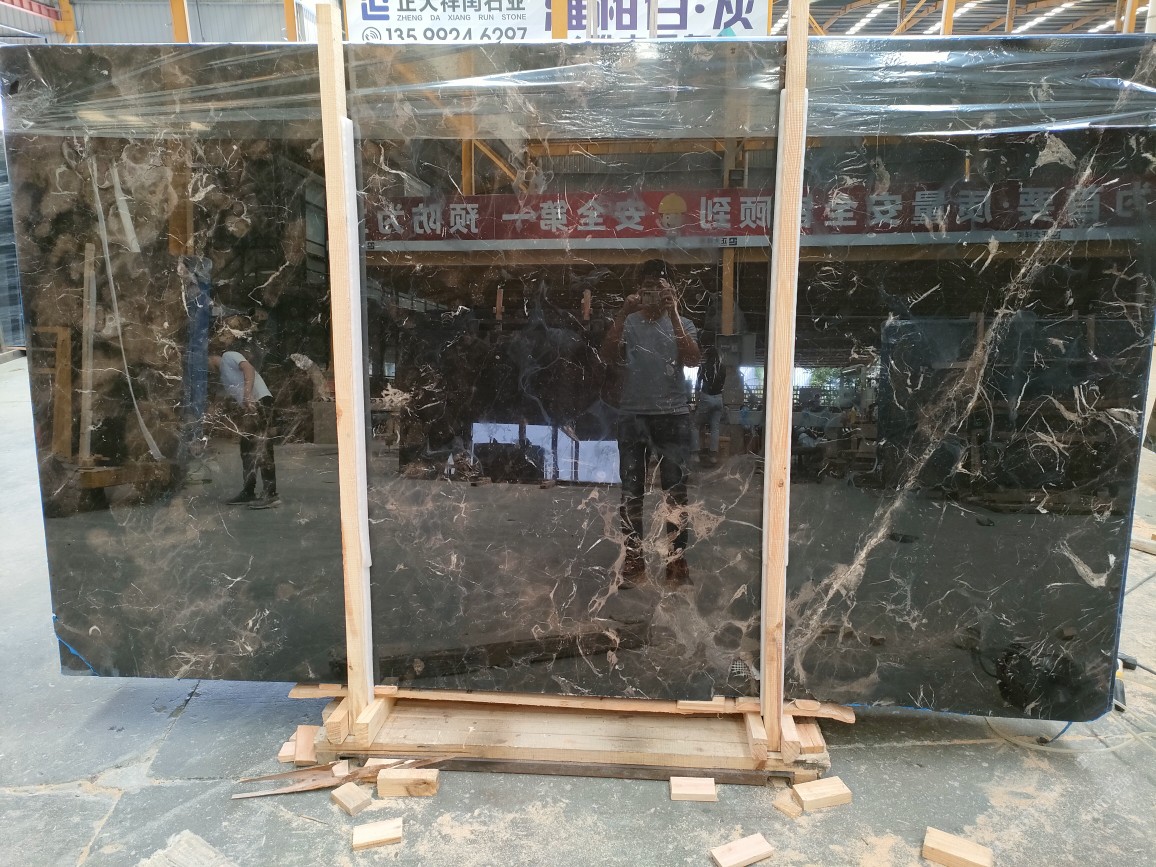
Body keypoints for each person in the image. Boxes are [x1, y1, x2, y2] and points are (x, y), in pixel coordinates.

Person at [600, 259, 701, 587]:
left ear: (671, 290)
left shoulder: (683, 322)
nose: (652, 293)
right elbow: (607, 355)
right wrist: (622, 313)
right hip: (633, 416)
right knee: (631, 491)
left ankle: (676, 561)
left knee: (676, 491)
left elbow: (693, 359)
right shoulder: (628, 322)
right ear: (637, 290)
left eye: (659, 287)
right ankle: (634, 560)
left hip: (673, 416)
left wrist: (674, 313)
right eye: (647, 287)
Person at [208, 346, 280, 509]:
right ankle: (248, 491)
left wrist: (247, 394)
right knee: (247, 448)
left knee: (262, 448)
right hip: (250, 408)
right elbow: (219, 401)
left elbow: (248, 368)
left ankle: (271, 494)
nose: (207, 369)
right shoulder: (223, 377)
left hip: (260, 401)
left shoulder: (229, 356)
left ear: (211, 356)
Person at [691, 341, 726, 466]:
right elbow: (722, 384)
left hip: (706, 398)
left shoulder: (703, 367)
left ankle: (695, 454)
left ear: (707, 356)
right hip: (719, 398)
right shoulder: (722, 368)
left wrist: (697, 400)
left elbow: (697, 385)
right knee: (715, 427)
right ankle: (713, 456)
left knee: (695, 425)